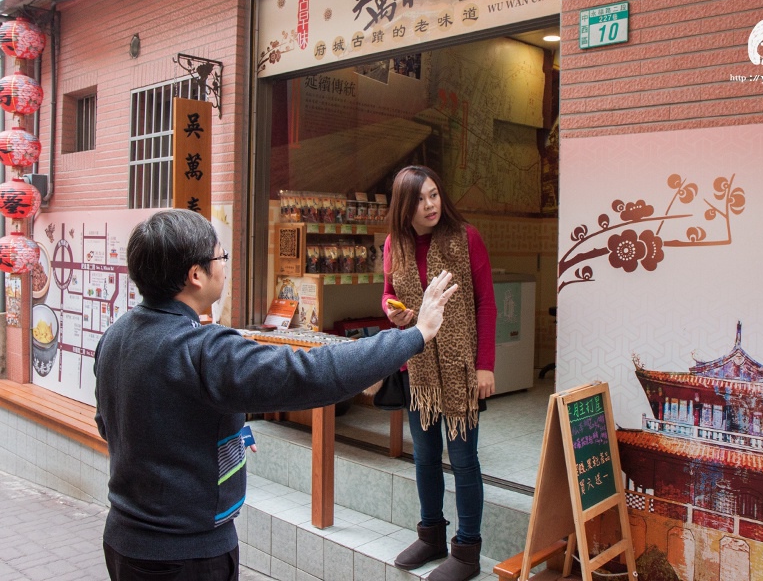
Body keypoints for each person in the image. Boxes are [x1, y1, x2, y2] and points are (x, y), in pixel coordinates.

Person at [94, 209, 458, 581]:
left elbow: (114, 425)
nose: (225, 266)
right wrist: (417, 334)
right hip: (185, 555)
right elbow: (314, 373)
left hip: (122, 540)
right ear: (195, 275)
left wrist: (223, 430)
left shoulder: (115, 336)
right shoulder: (204, 349)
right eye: (221, 257)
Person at [382, 165, 497, 581]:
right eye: (419, 199)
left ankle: (467, 551)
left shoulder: (467, 238)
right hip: (419, 367)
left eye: (433, 195)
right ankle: (431, 534)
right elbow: (388, 293)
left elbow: (486, 303)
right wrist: (393, 312)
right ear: (404, 206)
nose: (430, 205)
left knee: (464, 460)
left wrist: (486, 365)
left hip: (462, 365)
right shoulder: (395, 245)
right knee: (425, 455)